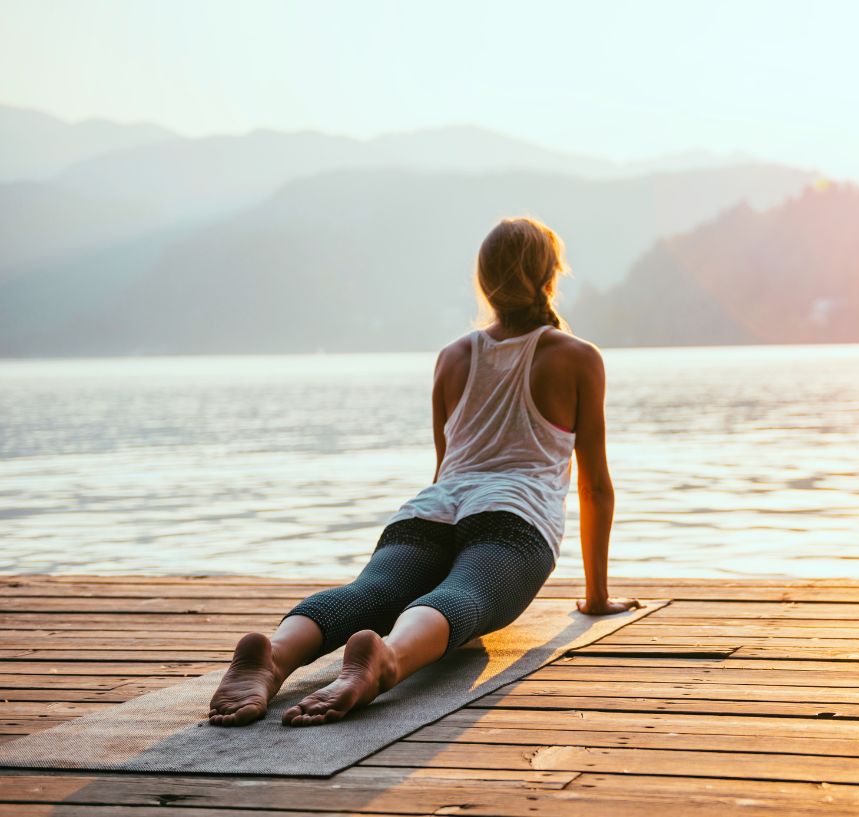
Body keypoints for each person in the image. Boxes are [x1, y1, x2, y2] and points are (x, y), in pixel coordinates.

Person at [207, 216, 641, 727]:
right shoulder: (576, 357)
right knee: (464, 597)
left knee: (367, 595)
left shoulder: (453, 356)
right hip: (512, 519)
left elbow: (445, 465)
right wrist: (594, 597)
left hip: (430, 510)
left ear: (484, 282)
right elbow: (594, 486)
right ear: (551, 277)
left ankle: (276, 654)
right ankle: (386, 659)